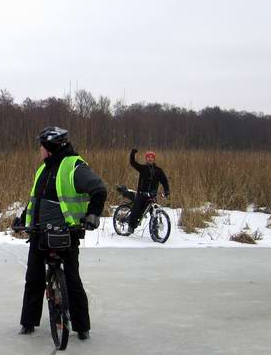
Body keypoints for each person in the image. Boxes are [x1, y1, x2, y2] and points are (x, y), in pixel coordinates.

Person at [14, 126, 107, 340]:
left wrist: (93, 215)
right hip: (40, 233)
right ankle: (28, 322)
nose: (39, 150)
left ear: (49, 147)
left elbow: (99, 189)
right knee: (35, 278)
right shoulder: (43, 168)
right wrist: (23, 218)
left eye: (41, 146)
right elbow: (35, 200)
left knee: (71, 279)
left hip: (66, 232)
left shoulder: (73, 166)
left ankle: (82, 327)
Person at [127, 148, 170, 234]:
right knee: (137, 211)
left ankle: (155, 232)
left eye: (152, 157)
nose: (150, 158)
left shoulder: (159, 171)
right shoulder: (142, 168)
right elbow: (132, 163)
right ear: (146, 159)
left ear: (154, 159)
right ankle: (131, 226)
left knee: (154, 213)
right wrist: (133, 153)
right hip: (142, 195)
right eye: (148, 157)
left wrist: (167, 191)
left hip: (152, 196)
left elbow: (164, 181)